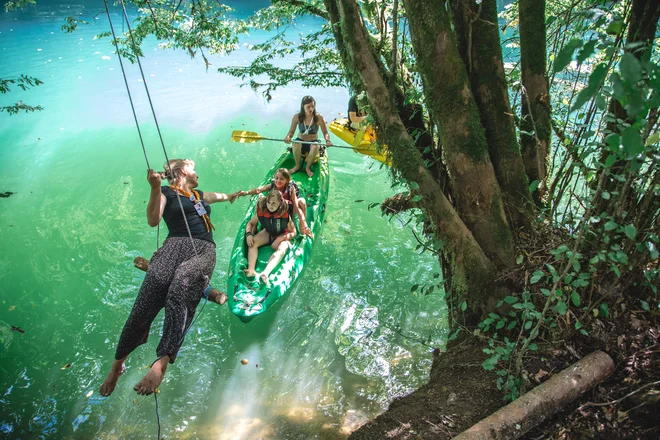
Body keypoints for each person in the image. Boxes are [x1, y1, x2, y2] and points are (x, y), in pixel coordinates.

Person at [100, 159, 240, 397]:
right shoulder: (165, 192)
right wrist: (154, 188)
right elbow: (153, 220)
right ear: (182, 171)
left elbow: (220, 196)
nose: (197, 173)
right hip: (173, 247)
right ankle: (117, 366)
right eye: (193, 168)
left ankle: (161, 362)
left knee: (181, 287)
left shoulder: (198, 195)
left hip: (202, 250)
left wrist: (232, 195)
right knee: (147, 297)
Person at [237, 168, 312, 238]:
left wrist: (301, 222)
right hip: (273, 209)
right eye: (276, 178)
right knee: (260, 198)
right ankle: (254, 226)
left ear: (287, 180)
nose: (278, 181)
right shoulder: (272, 185)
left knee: (302, 201)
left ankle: (303, 229)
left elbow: (296, 206)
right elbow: (258, 190)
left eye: (281, 179)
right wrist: (245, 193)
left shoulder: (290, 188)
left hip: (286, 211)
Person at [243, 190, 297, 285]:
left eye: (273, 203)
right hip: (268, 232)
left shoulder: (285, 214)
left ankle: (265, 273)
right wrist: (248, 235)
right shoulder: (263, 210)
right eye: (268, 202)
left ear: (279, 203)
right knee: (253, 243)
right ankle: (251, 269)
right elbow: (251, 223)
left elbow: (294, 232)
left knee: (282, 249)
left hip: (282, 235)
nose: (270, 205)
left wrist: (280, 239)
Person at [284, 95, 332, 177]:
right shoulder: (297, 117)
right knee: (296, 143)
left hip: (313, 142)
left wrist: (327, 140)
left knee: (315, 146)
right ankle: (297, 166)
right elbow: (291, 132)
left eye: (312, 106)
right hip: (300, 140)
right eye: (308, 107)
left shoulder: (319, 118)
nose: (311, 109)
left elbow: (325, 133)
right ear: (303, 106)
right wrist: (288, 137)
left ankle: (308, 168)